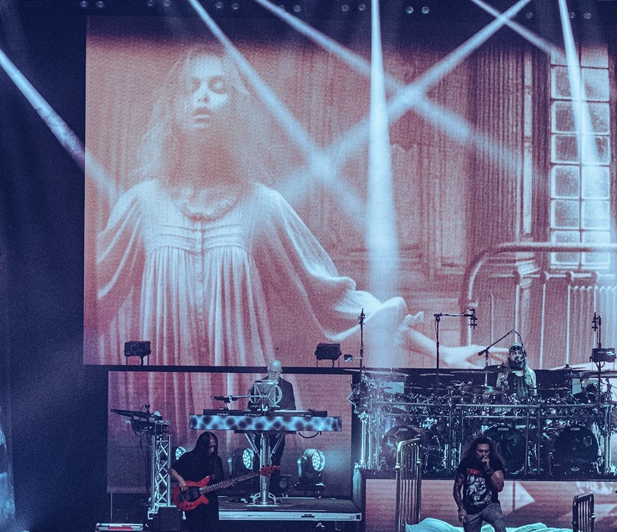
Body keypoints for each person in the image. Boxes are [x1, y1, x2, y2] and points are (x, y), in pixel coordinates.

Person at [94, 46, 479, 427]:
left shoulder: (262, 206)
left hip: (244, 400)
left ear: (236, 107)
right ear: (173, 106)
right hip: (163, 400)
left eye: (218, 86)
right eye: (190, 86)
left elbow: (333, 301)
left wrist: (440, 352)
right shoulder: (141, 206)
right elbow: (92, 300)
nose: (203, 97)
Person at [171, 431, 225, 532]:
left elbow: (220, 481)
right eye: (209, 447)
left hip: (210, 502)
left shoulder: (216, 461)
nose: (212, 450)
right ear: (202, 446)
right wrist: (181, 481)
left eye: (214, 447)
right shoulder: (189, 457)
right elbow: (172, 469)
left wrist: (226, 485)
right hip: (192, 503)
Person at [454, 436, 511, 532]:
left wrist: (488, 468)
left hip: (489, 505)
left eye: (486, 451)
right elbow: (457, 487)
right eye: (480, 451)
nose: (483, 454)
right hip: (470, 508)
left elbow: (499, 487)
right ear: (475, 451)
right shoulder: (466, 463)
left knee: (500, 524)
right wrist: (461, 508)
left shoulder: (495, 463)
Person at [248, 359, 296, 492]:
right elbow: (251, 406)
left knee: (276, 458)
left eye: (276, 372)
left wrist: (281, 414)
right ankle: (257, 489)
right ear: (267, 370)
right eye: (271, 371)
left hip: (279, 428)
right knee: (258, 458)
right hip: (261, 428)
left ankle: (274, 489)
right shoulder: (258, 385)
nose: (273, 374)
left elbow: (292, 407)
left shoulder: (288, 386)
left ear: (281, 371)